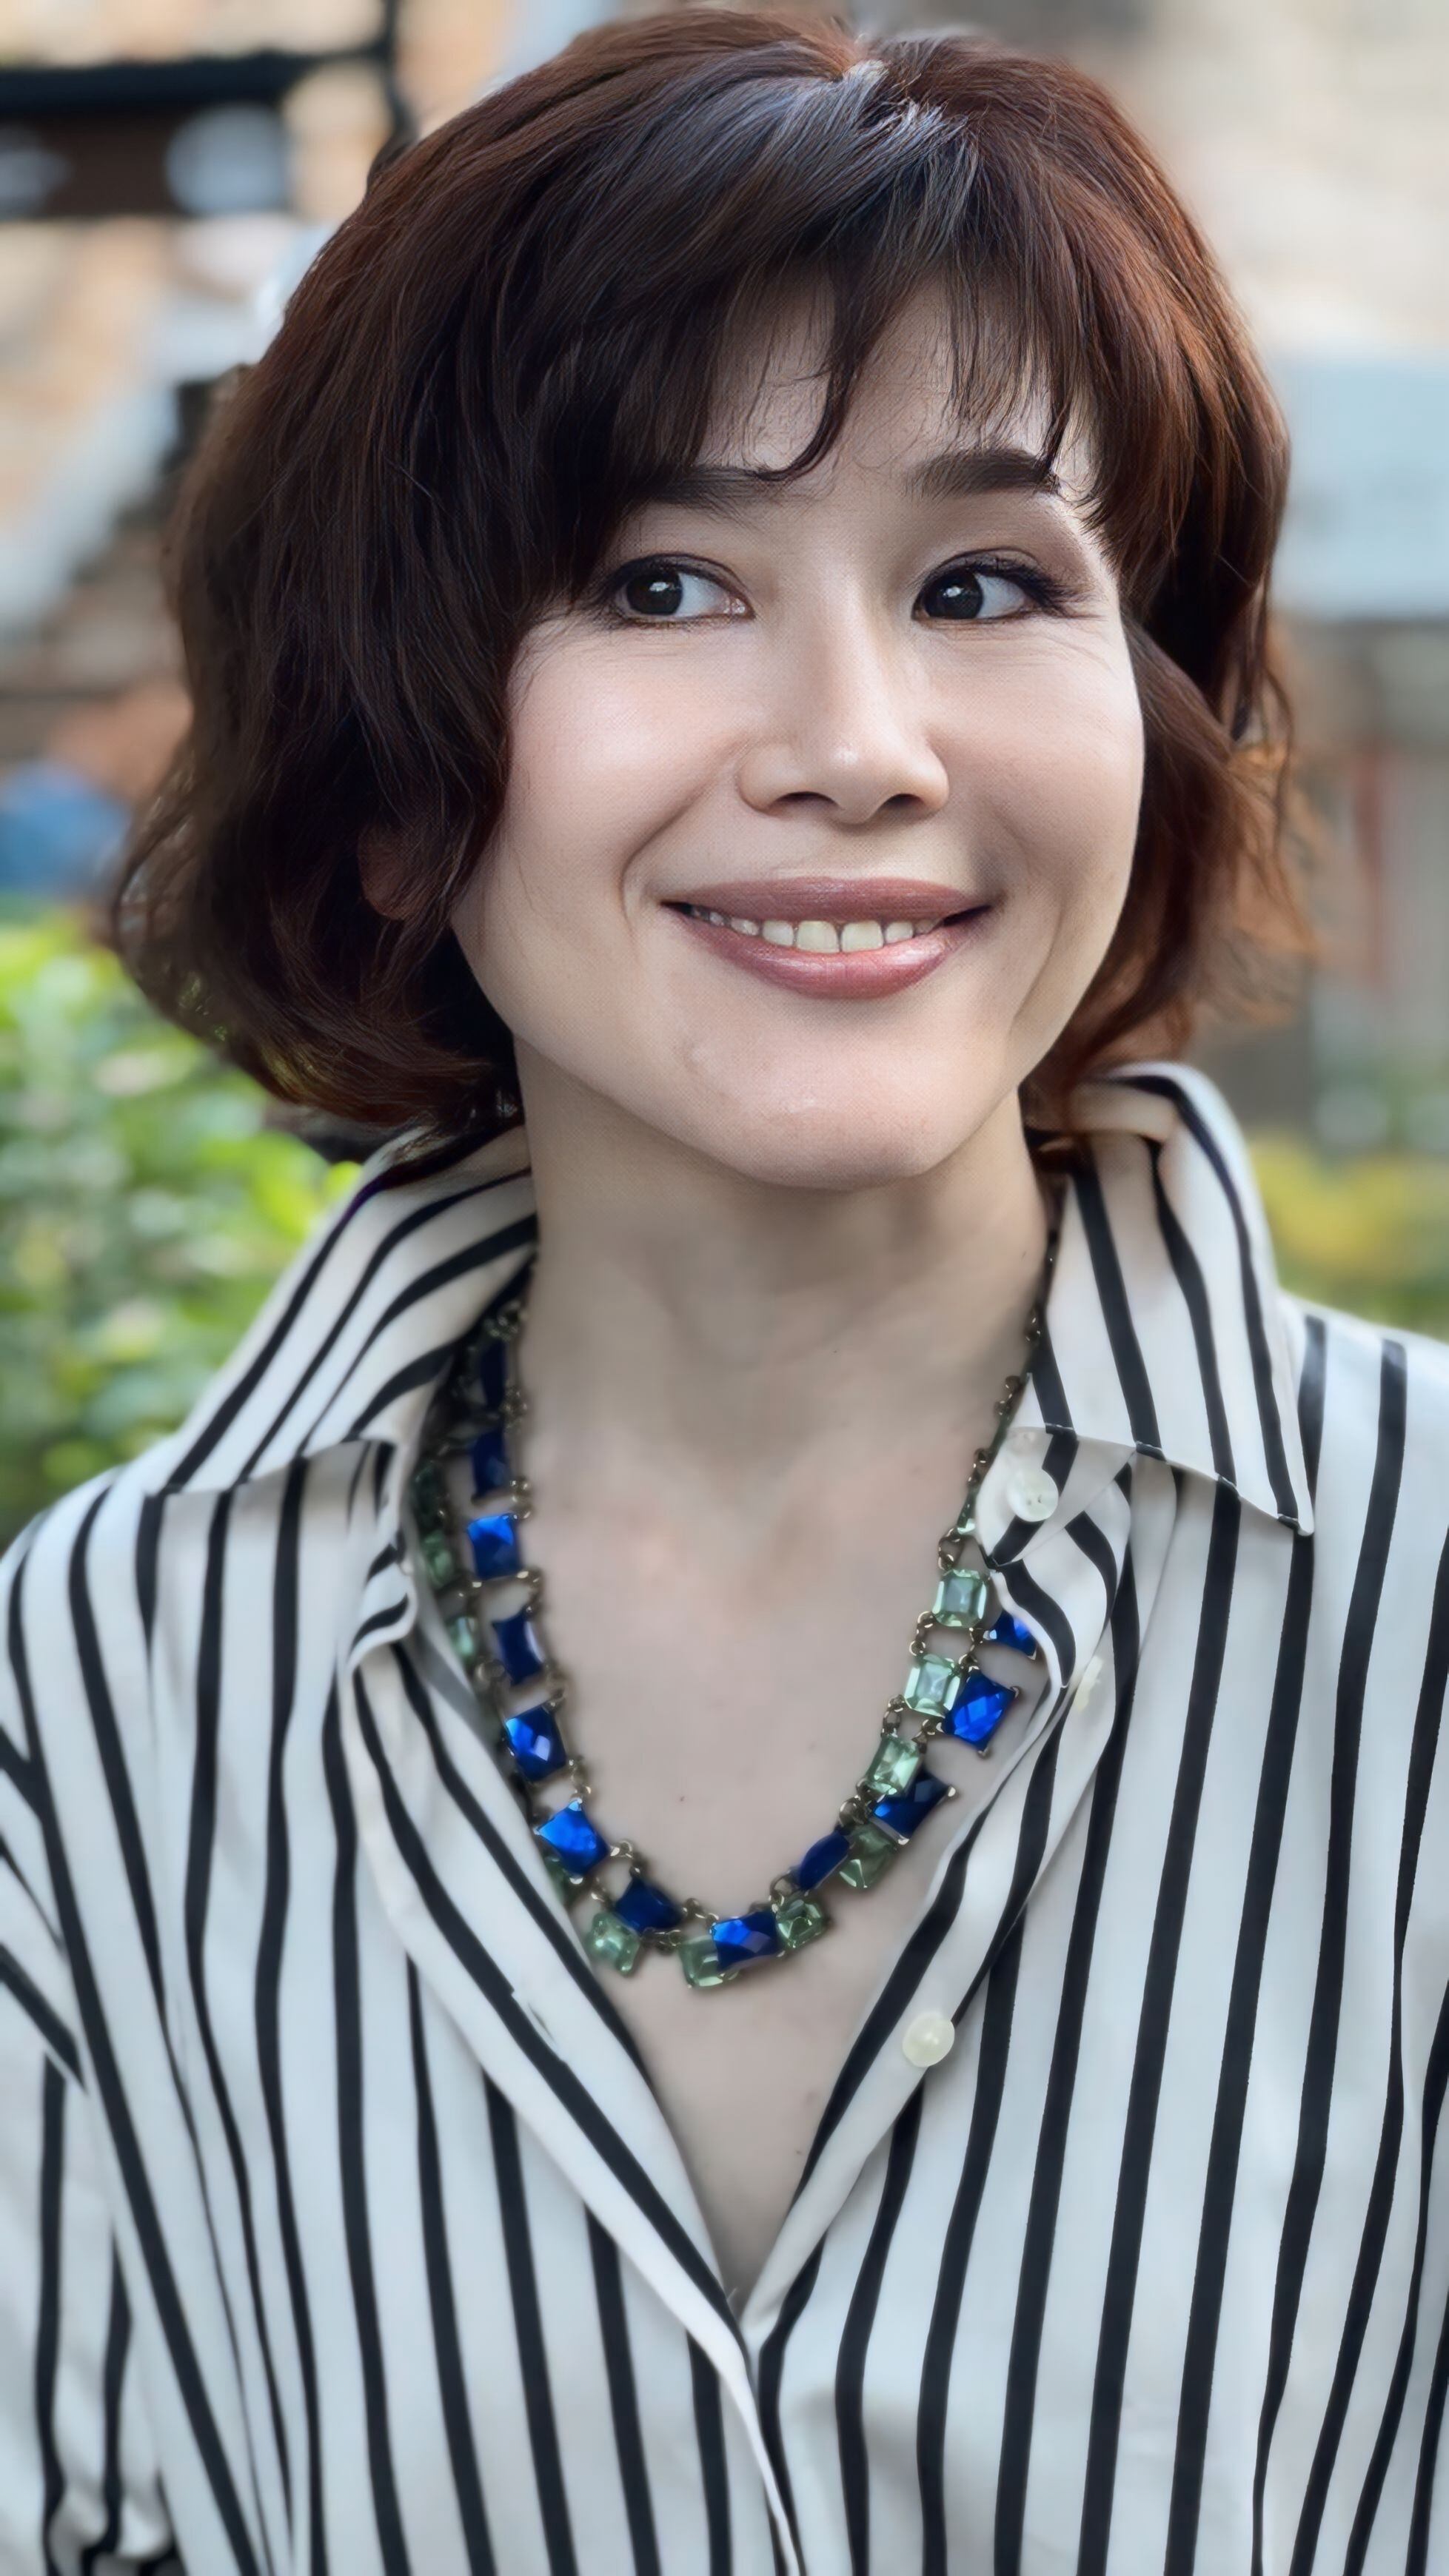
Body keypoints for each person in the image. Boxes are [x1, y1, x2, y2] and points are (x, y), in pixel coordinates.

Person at [1, 13, 1445, 2572]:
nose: (859, 741)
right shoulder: (100, 1678)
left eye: (986, 583)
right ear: (388, 759)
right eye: (661, 581)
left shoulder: (1421, 1595)